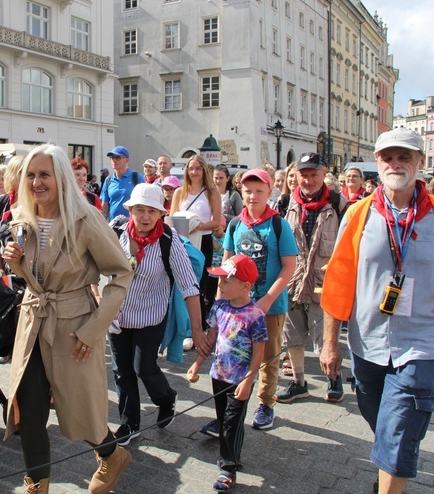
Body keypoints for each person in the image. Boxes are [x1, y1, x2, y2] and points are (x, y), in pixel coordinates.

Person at [320, 128, 434, 494]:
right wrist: (331, 343)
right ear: (377, 163)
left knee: (399, 425)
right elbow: (338, 281)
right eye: (388, 158)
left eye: (404, 157)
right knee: (384, 423)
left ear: (420, 163)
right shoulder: (358, 214)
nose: (396, 164)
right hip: (367, 341)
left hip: (422, 340)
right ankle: (392, 461)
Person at [1, 144, 134, 493]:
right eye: (31, 175)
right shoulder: (21, 216)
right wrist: (12, 259)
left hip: (74, 325)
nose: (36, 182)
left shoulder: (86, 218)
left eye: (44, 174)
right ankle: (36, 487)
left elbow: (121, 274)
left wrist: (93, 330)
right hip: (33, 320)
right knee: (29, 413)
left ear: (60, 177)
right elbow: (32, 274)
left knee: (82, 410)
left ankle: (111, 454)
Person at [107, 184, 204, 445]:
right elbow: (97, 268)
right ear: (130, 210)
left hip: (151, 316)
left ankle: (166, 398)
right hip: (117, 316)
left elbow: (188, 285)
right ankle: (130, 424)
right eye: (140, 209)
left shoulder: (168, 241)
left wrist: (198, 330)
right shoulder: (116, 233)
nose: (146, 216)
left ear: (161, 214)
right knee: (121, 371)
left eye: (152, 210)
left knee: (144, 368)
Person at [216, 169, 297, 433]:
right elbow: (227, 264)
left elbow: (289, 266)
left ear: (270, 192)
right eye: (248, 191)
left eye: (259, 191)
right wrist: (220, 301)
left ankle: (266, 403)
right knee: (235, 353)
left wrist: (268, 299)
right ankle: (231, 407)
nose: (253, 196)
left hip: (270, 305)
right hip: (239, 305)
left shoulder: (278, 224)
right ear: (241, 191)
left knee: (268, 356)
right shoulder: (235, 224)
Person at [187, 254, 267, 492]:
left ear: (245, 286)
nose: (220, 285)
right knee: (223, 420)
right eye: (220, 280)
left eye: (226, 281)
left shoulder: (255, 315)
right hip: (218, 375)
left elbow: (259, 352)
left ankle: (228, 468)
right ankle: (232, 456)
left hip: (240, 379)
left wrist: (249, 380)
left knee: (232, 422)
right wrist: (197, 364)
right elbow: (210, 339)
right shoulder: (219, 307)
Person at [275, 153, 348, 405]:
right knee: (292, 336)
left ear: (323, 173)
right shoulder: (285, 204)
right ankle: (299, 383)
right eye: (302, 175)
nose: (307, 180)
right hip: (293, 282)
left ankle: (334, 379)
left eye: (313, 174)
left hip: (324, 283)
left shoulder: (339, 204)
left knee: (325, 336)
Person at [170, 155, 222, 329]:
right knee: (180, 283)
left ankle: (198, 327)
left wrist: (198, 226)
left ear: (204, 170)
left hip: (203, 240)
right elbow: (171, 217)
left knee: (198, 283)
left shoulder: (212, 192)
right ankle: (181, 323)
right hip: (182, 241)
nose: (194, 172)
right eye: (191, 168)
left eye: (198, 168)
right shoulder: (179, 192)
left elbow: (217, 222)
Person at [0, 155, 25, 272]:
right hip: (8, 275)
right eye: (24, 173)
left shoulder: (41, 202)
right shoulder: (1, 202)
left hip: (36, 278)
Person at [101, 146, 145, 221]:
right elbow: (105, 205)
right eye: (112, 158)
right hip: (113, 225)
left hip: (132, 225)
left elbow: (144, 202)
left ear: (127, 160)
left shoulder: (137, 178)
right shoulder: (108, 180)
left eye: (118, 157)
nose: (114, 160)